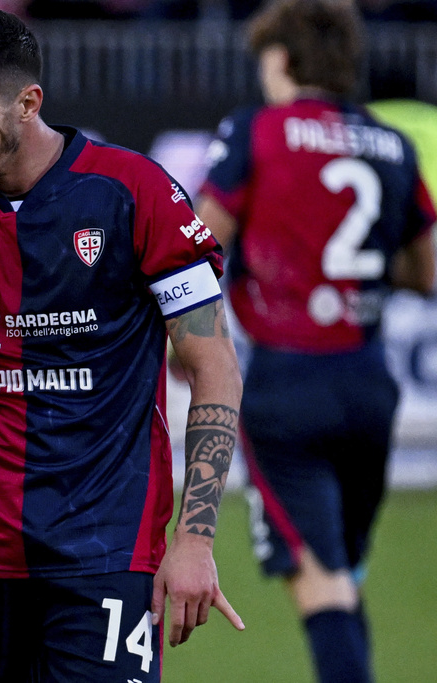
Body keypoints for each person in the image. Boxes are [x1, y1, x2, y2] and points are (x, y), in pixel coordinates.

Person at [0, 7, 244, 681]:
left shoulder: (134, 191)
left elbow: (214, 364)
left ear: (28, 102)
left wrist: (194, 537)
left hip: (106, 543)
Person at [194, 1, 436, 682]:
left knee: (321, 580)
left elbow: (199, 243)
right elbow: (425, 273)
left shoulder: (260, 130)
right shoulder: (392, 143)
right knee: (343, 572)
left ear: (281, 59)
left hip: (286, 387)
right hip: (368, 384)